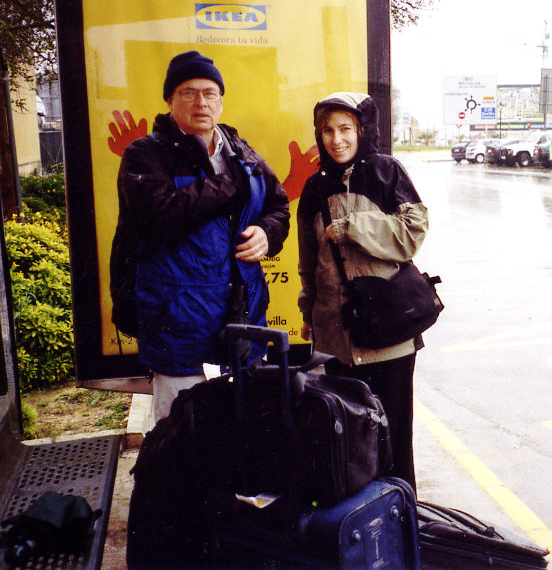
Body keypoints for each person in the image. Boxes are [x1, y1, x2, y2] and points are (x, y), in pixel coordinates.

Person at [114, 51, 290, 424]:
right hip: (179, 326)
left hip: (244, 319)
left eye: (210, 93)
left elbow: (278, 207)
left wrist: (266, 233)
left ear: (221, 101)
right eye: (189, 92)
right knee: (182, 441)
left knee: (244, 435)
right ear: (170, 100)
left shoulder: (242, 152)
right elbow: (160, 218)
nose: (201, 102)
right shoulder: (146, 154)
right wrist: (229, 183)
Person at [297, 92, 429, 490]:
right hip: (338, 342)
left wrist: (356, 226)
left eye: (345, 129)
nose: (336, 139)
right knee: (352, 446)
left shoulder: (387, 172)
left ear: (361, 130)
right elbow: (308, 263)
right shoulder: (313, 188)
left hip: (389, 337)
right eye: (327, 131)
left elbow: (412, 234)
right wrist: (308, 313)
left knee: (395, 445)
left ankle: (403, 524)